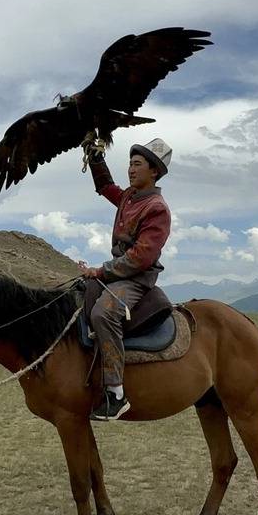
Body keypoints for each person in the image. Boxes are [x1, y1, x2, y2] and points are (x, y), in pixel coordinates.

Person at [79, 136, 172, 420]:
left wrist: (99, 271)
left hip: (136, 278)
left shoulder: (156, 208)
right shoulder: (129, 198)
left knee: (104, 313)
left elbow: (140, 257)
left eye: (137, 164)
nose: (131, 170)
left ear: (153, 171)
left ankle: (116, 393)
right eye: (130, 164)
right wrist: (95, 157)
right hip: (120, 272)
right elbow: (106, 187)